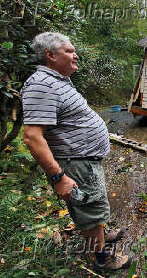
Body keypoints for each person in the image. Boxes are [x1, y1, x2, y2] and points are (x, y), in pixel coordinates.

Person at [20, 32, 131, 270]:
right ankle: (103, 259)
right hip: (75, 164)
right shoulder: (41, 85)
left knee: (93, 206)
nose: (75, 55)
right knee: (89, 210)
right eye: (69, 51)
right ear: (50, 55)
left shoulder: (57, 81)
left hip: (85, 161)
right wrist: (58, 177)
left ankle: (101, 233)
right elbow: (32, 136)